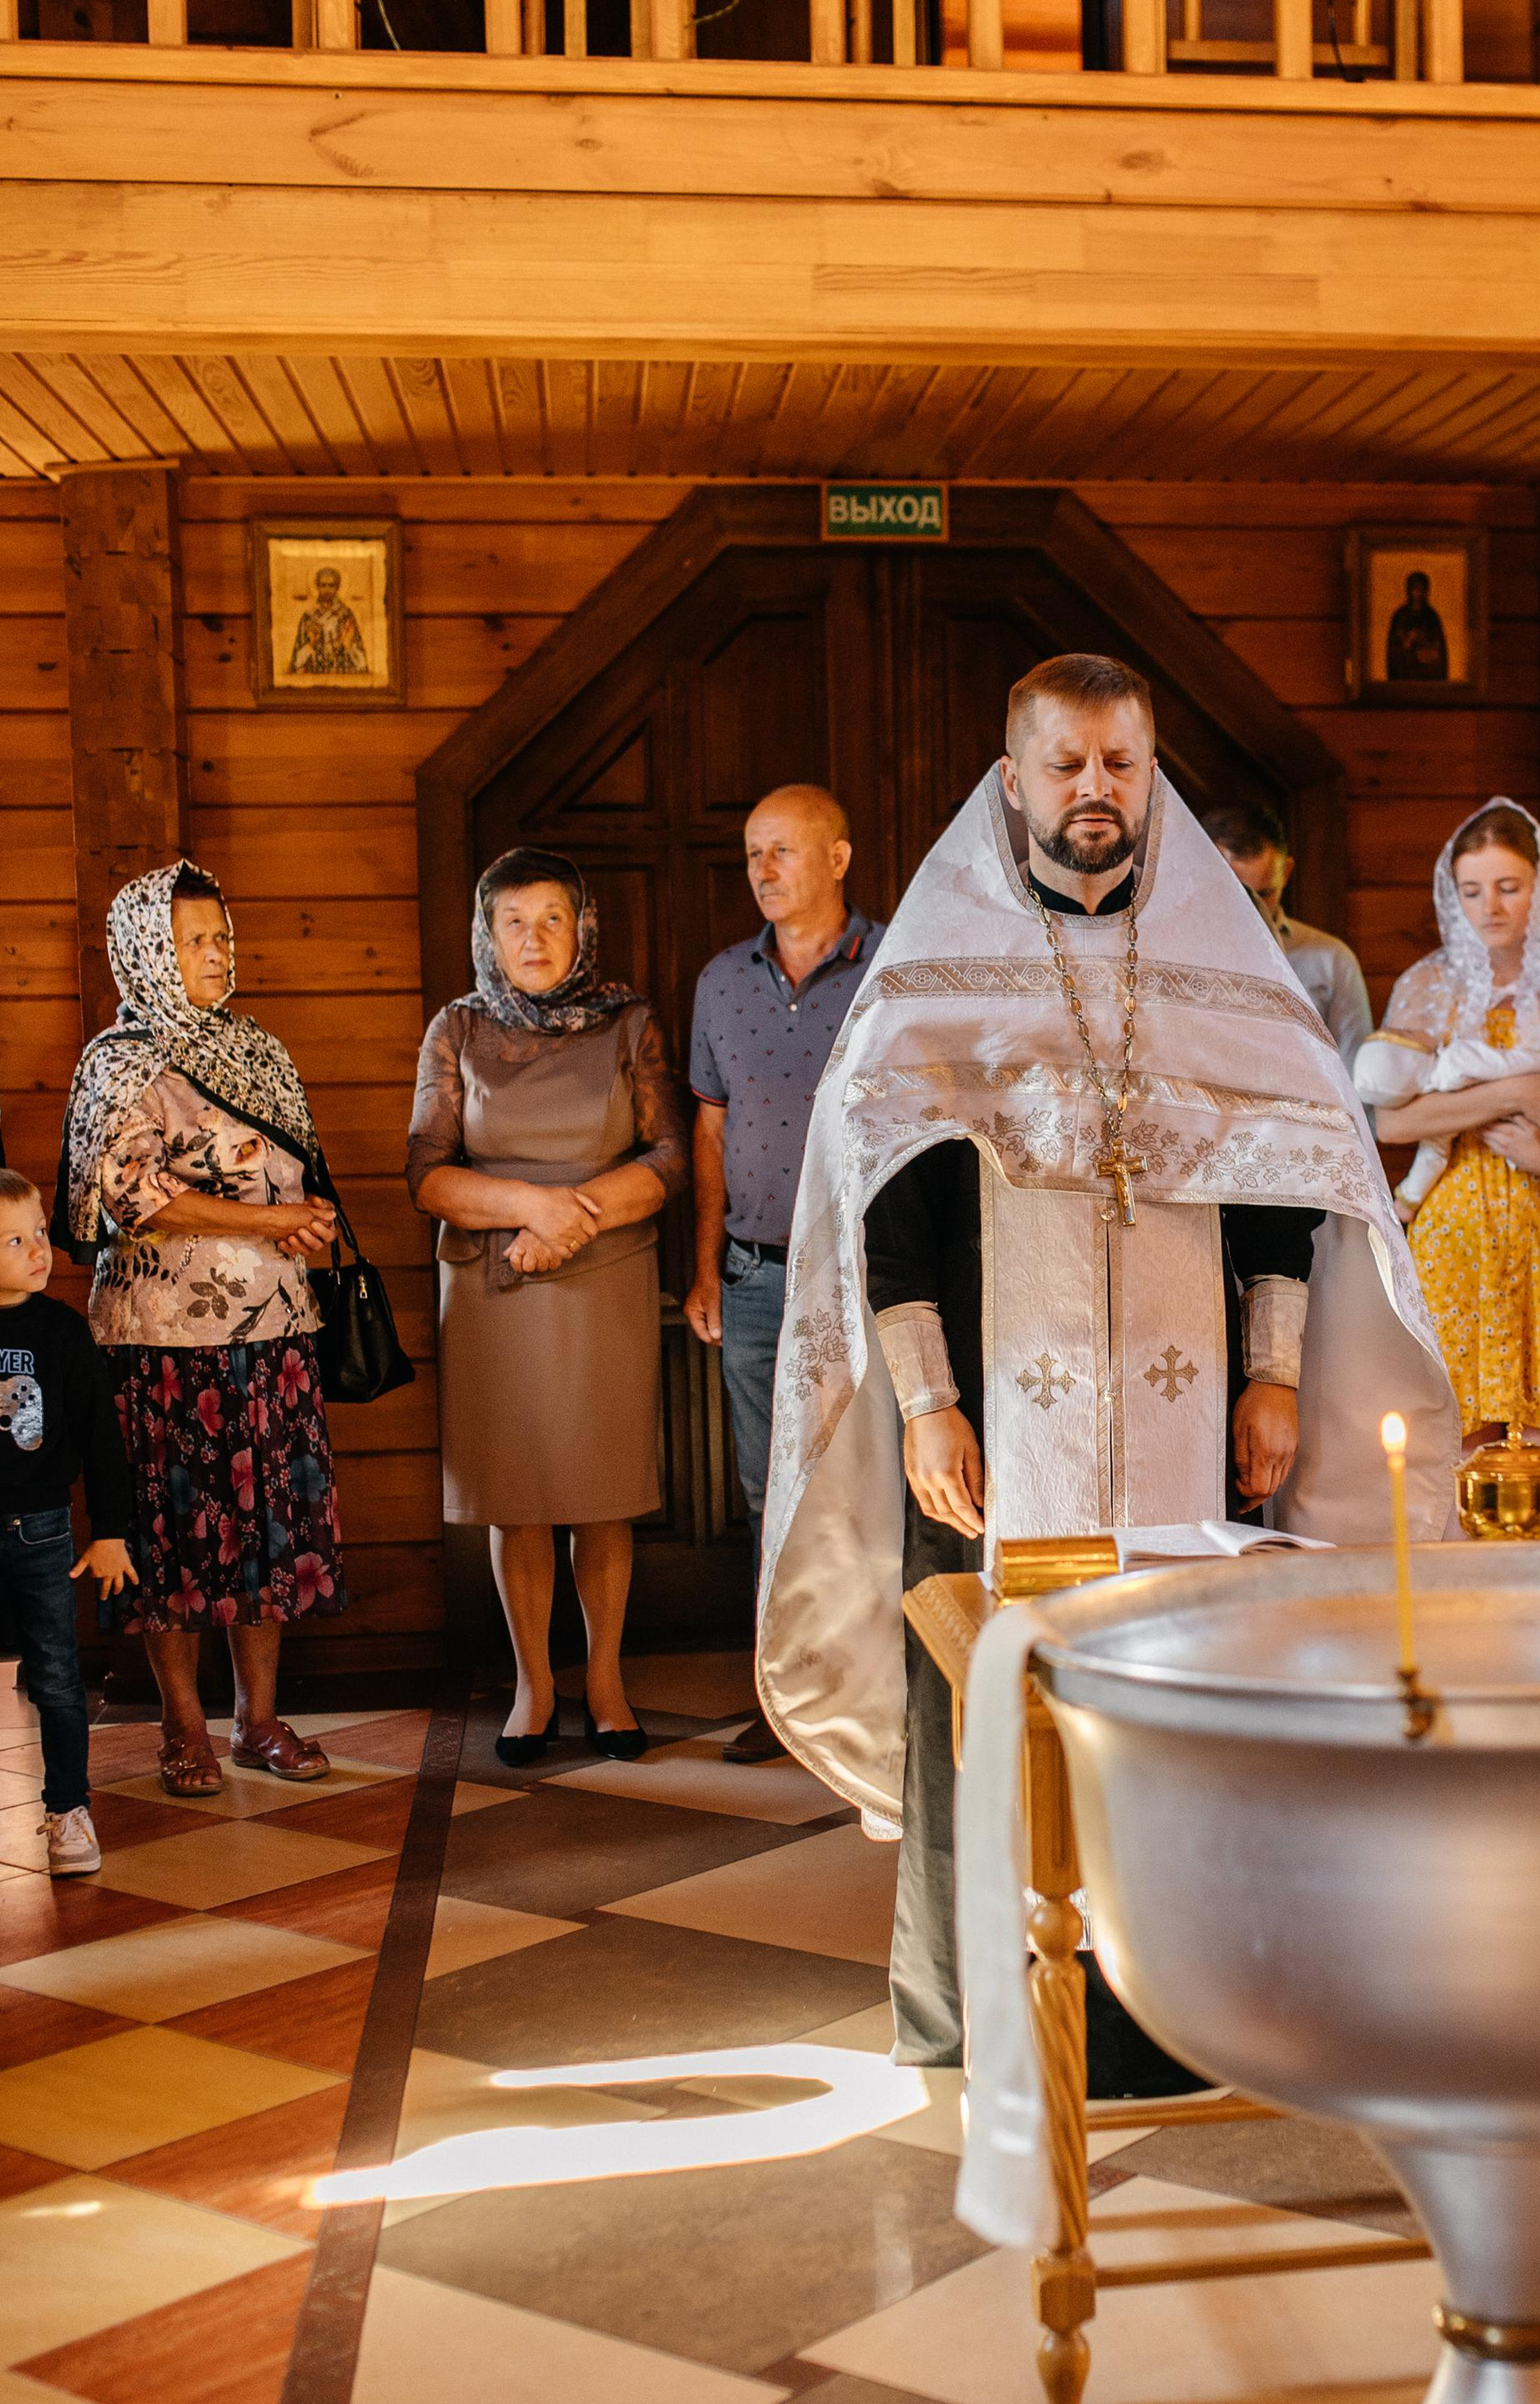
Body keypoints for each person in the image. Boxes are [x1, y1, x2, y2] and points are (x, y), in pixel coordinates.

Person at [758, 651, 1457, 2066]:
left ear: (1153, 776)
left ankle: (1189, 2012)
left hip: (1191, 1410)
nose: (1095, 790)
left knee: (1191, 1683)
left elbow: (1279, 1175)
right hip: (991, 1424)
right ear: (1011, 780)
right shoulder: (935, 968)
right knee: (985, 1682)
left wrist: (1272, 1369)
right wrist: (924, 1399)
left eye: (1120, 764)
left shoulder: (1219, 962)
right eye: (1066, 764)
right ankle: (982, 2011)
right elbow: (890, 1198)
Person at [55, 862, 345, 1798]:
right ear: (149, 950)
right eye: (195, 940)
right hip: (158, 1342)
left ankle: (256, 1718)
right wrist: (269, 1223)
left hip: (273, 1331)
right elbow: (131, 1196)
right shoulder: (120, 1059)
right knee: (172, 1536)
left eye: (222, 933)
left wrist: (316, 1220)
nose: (218, 952)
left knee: (264, 1530)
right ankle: (183, 1726)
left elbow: (297, 1174)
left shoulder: (255, 1048)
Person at [408, 847, 688, 1767]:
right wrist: (531, 1208)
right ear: (488, 934)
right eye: (513, 922)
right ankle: (533, 1682)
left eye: (552, 919)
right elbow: (429, 1175)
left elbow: (669, 1157)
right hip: (494, 1286)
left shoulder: (629, 1021)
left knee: (602, 1494)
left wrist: (576, 1222)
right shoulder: (454, 1030)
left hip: (601, 1276)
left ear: (582, 927)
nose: (534, 938)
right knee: (517, 1499)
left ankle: (604, 1679)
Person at [1359, 802, 1540, 1454]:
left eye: (1508, 887)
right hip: (1455, 1239)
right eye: (1472, 890)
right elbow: (1394, 1120)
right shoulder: (1429, 987)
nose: (1489, 906)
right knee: (1463, 1455)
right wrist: (1517, 1092)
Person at [686, 787, 876, 1764]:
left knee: (873, 1480)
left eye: (782, 851)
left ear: (837, 856)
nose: (763, 869)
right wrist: (707, 1266)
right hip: (755, 1274)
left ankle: (877, 1690)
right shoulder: (722, 981)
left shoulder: (895, 966)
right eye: (753, 853)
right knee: (773, 1492)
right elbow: (709, 1129)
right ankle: (785, 1693)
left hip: (871, 1275)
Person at [0, 1170, 136, 1875]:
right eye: (14, 1240)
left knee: (56, 1675)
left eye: (41, 1234)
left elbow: (100, 1437)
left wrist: (109, 1530)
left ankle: (68, 1810)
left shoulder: (61, 1332)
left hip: (44, 1529)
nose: (38, 1250)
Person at [1203, 800, 1374, 1067]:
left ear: (1286, 872)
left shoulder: (1332, 960)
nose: (1252, 909)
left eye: (1264, 894)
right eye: (1238, 894)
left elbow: (1355, 1075)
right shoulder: (1168, 949)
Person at [1385, 570, 1450, 685]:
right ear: (1409, 590)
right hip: (1404, 674)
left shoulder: (1432, 616)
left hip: (1427, 674)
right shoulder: (1400, 616)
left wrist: (1430, 652)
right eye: (1415, 589)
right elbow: (1393, 649)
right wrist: (1407, 642)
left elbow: (1439, 649)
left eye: (1422, 590)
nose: (1418, 593)